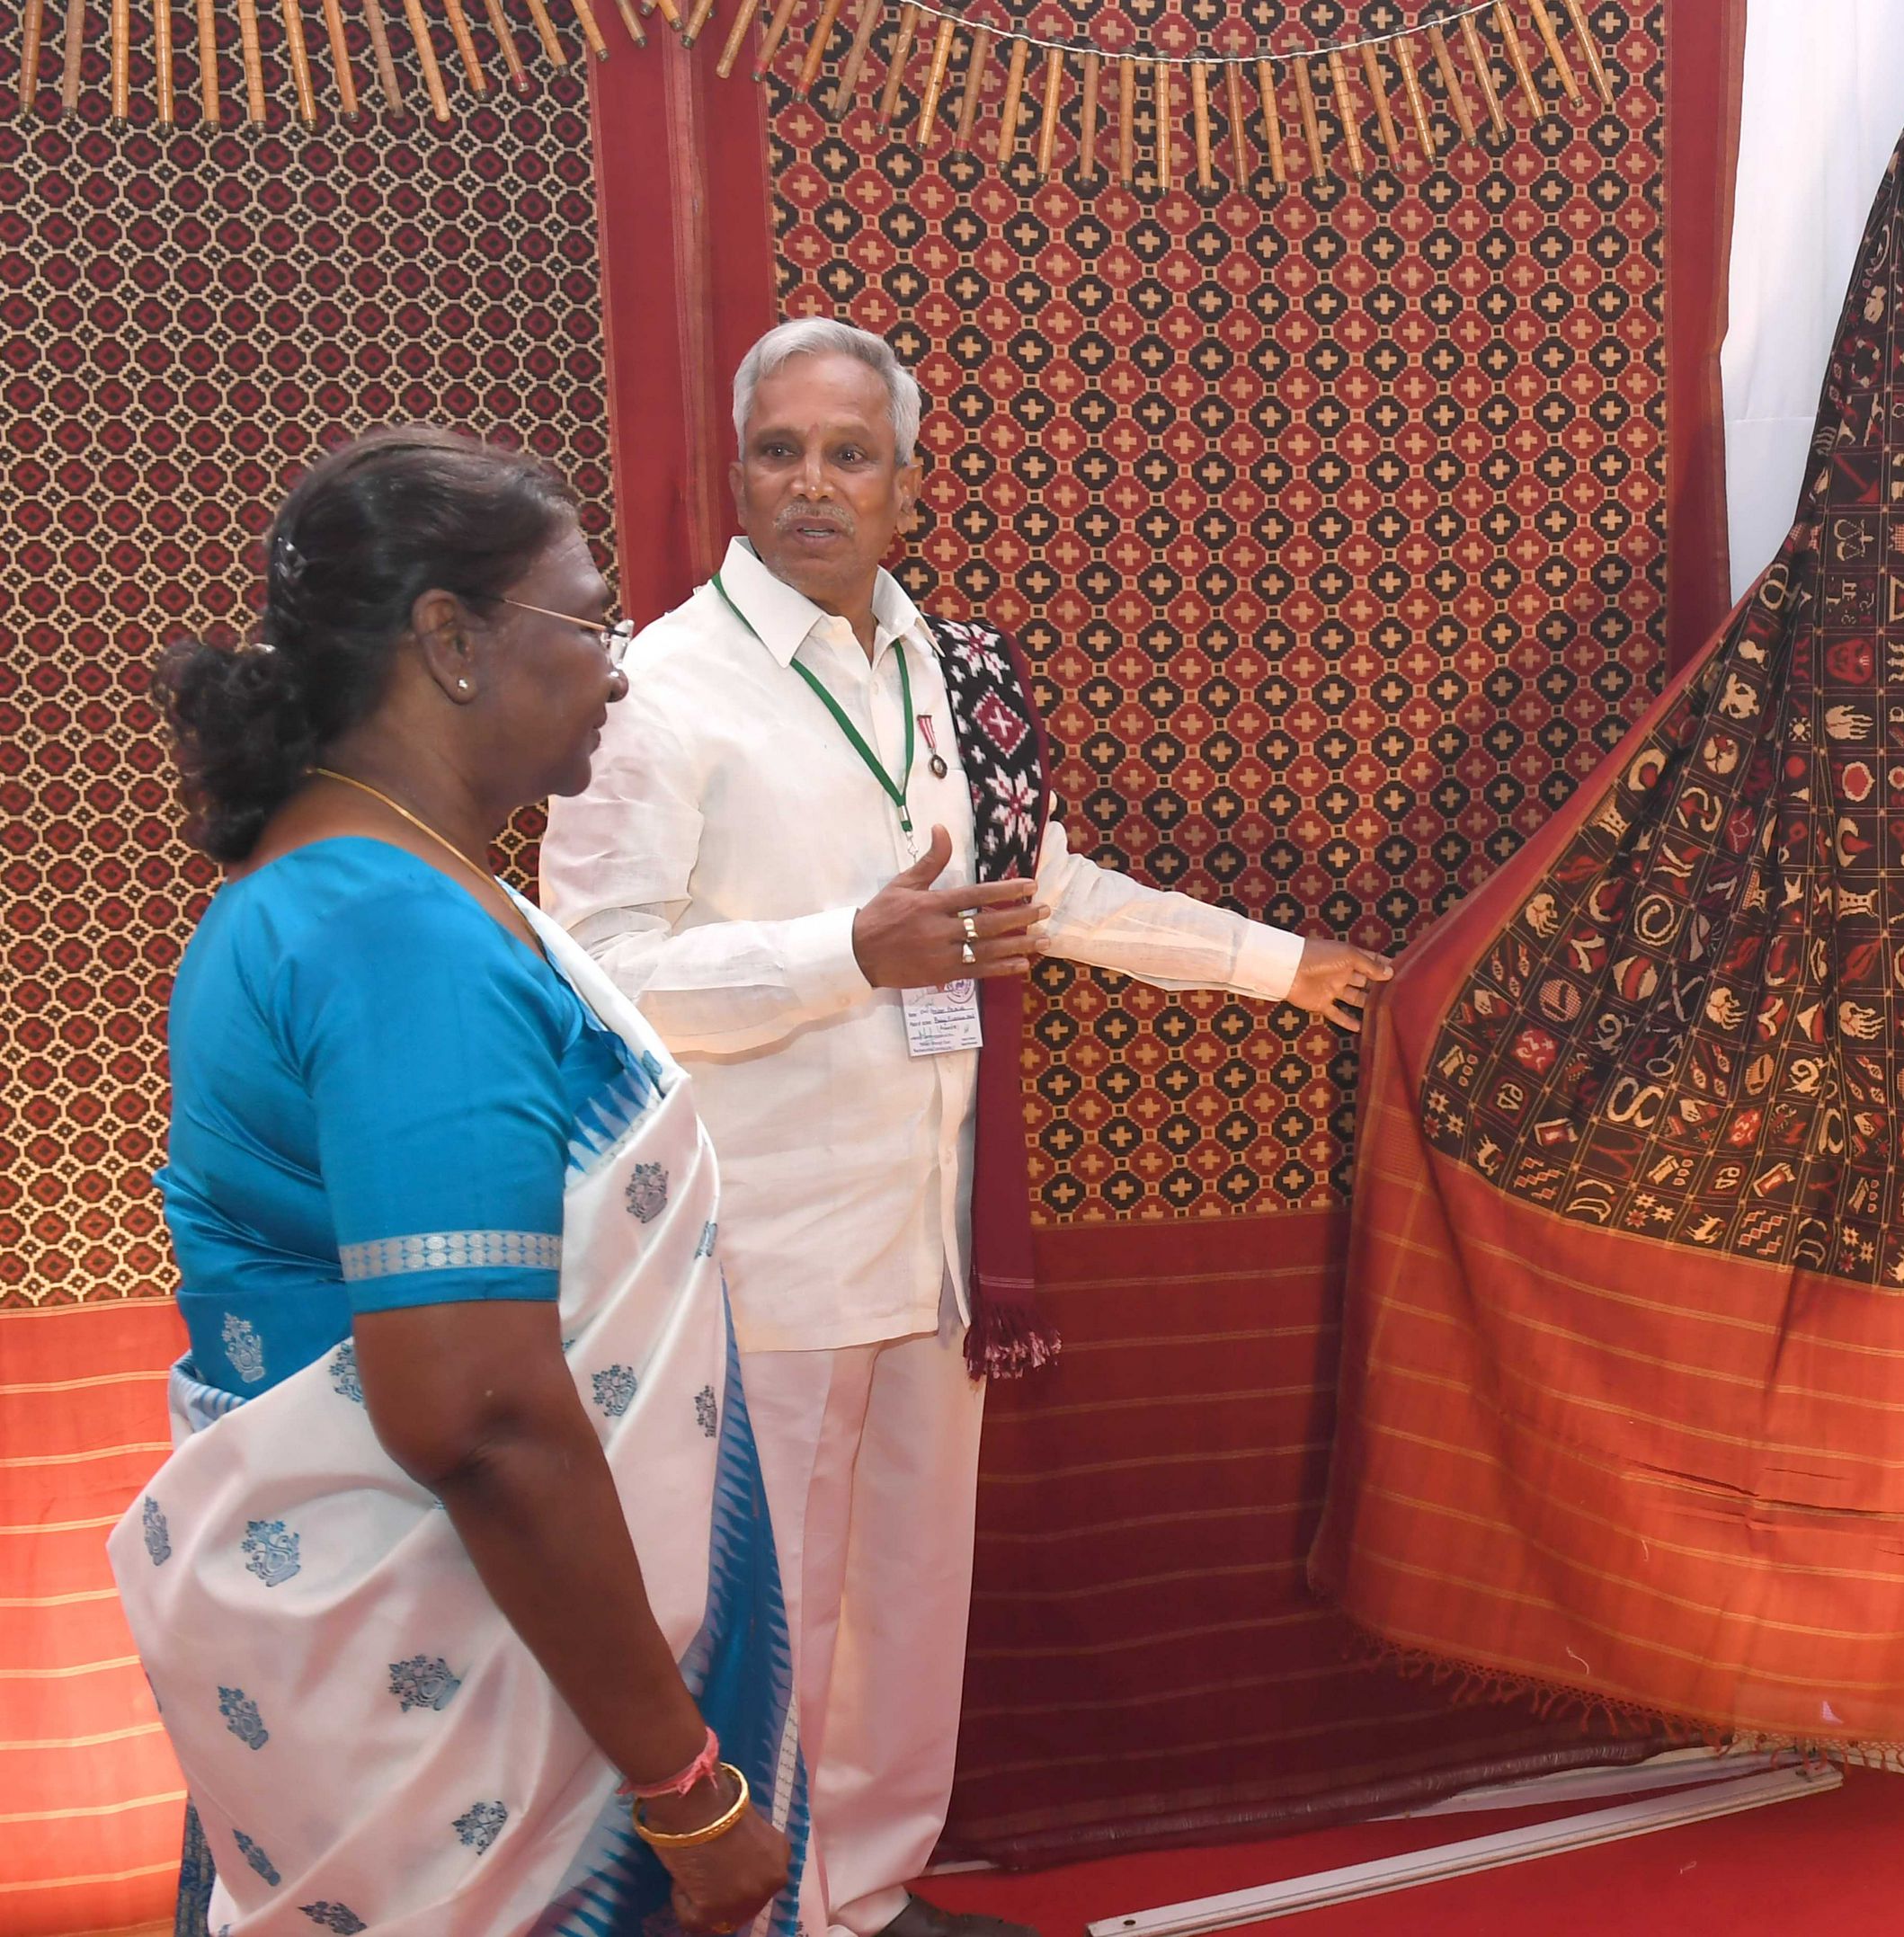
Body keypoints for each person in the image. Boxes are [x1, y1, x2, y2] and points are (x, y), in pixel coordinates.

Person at [538, 318, 1392, 1937]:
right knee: (770, 1611)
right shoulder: (657, 687)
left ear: (909, 488)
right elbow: (601, 977)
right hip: (763, 1255)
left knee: (908, 1599)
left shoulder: (950, 670)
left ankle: (865, 1893)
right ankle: (764, 1911)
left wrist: (1280, 966)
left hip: (936, 1236)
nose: (813, 484)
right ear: (739, 474)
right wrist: (844, 953)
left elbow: (1039, 892)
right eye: (781, 451)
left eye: (850, 455)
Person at [123, 429, 801, 1937]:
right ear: (451, 640)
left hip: (398, 1641)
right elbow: (478, 1416)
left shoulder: (354, 883)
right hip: (475, 1676)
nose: (618, 675)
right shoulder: (398, 937)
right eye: (593, 624)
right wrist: (685, 1788)